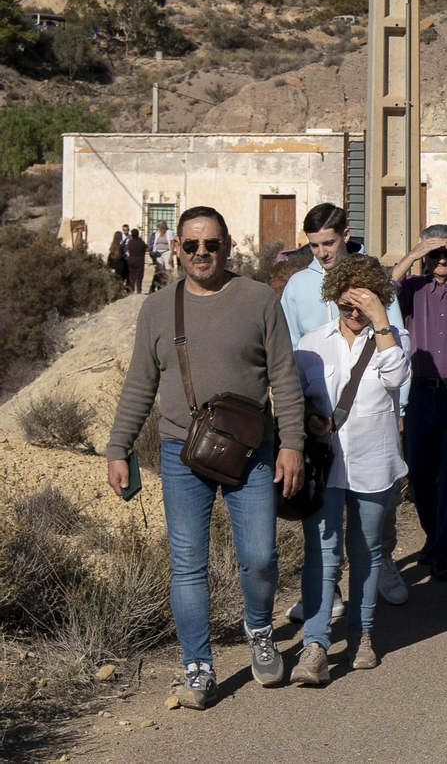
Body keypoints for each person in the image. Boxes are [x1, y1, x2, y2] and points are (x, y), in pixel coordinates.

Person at [104, 206, 306, 709]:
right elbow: (139, 385)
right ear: (176, 248)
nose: (201, 254)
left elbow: (285, 378)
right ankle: (197, 665)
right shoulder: (156, 308)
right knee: (188, 565)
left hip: (253, 451)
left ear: (227, 245)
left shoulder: (258, 299)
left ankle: (259, 627)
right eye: (191, 245)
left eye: (211, 245)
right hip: (180, 451)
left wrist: (292, 444)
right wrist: (118, 447)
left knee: (260, 558)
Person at [280, 203, 409, 612]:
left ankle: (381, 562)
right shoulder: (297, 286)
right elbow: (287, 350)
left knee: (378, 510)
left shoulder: (369, 277)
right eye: (314, 245)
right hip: (322, 423)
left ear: (346, 234)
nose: (321, 252)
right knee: (321, 513)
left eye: (329, 242)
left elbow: (397, 344)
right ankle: (325, 590)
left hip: (374, 413)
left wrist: (400, 411)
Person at [290, 255, 411, 685]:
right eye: (347, 302)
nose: (354, 311)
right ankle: (316, 644)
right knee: (323, 555)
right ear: (334, 295)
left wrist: (382, 323)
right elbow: (293, 399)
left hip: (375, 463)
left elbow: (397, 379)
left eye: (364, 301)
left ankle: (362, 634)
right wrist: (308, 417)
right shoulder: (310, 344)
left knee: (367, 553)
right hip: (327, 467)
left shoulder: (394, 341)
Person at [391, 226, 447, 582]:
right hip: (420, 393)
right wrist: (412, 253)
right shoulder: (411, 288)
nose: (442, 260)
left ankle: (443, 552)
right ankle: (434, 536)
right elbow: (385, 286)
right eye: (434, 254)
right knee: (421, 477)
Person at [149, 220, 172, 291]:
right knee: (159, 270)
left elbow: (172, 244)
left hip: (167, 252)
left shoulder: (169, 232)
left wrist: (171, 255)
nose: (157, 228)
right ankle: (161, 286)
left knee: (168, 270)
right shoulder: (157, 233)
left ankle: (171, 286)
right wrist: (153, 253)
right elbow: (154, 244)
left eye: (158, 226)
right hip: (158, 253)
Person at [125, 227, 148, 294]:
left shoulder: (130, 242)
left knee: (132, 275)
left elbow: (128, 249)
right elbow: (146, 247)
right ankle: (139, 290)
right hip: (139, 260)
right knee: (139, 276)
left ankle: (132, 290)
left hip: (131, 260)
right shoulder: (140, 242)